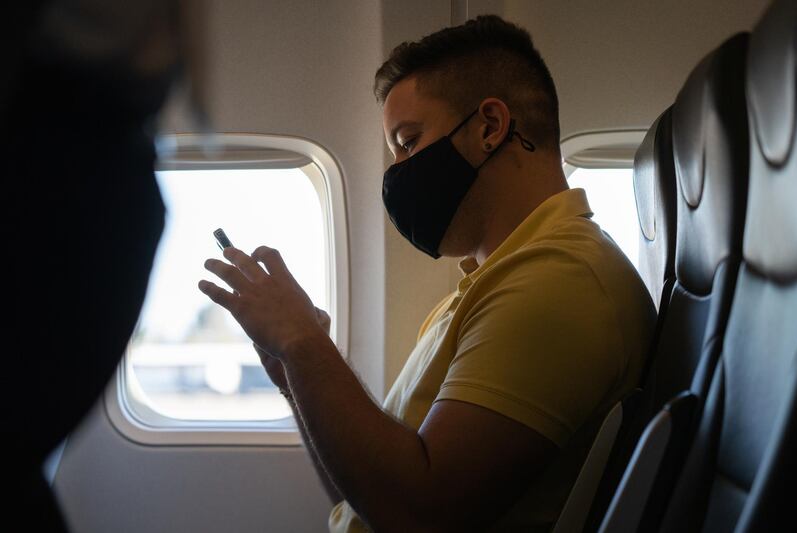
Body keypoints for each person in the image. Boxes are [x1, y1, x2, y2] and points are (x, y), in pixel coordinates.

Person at [198, 15, 655, 532]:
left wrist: (304, 342)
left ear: (490, 127)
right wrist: (296, 374)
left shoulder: (558, 282)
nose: (396, 172)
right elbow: (365, 495)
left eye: (408, 142)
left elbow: (419, 514)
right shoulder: (484, 288)